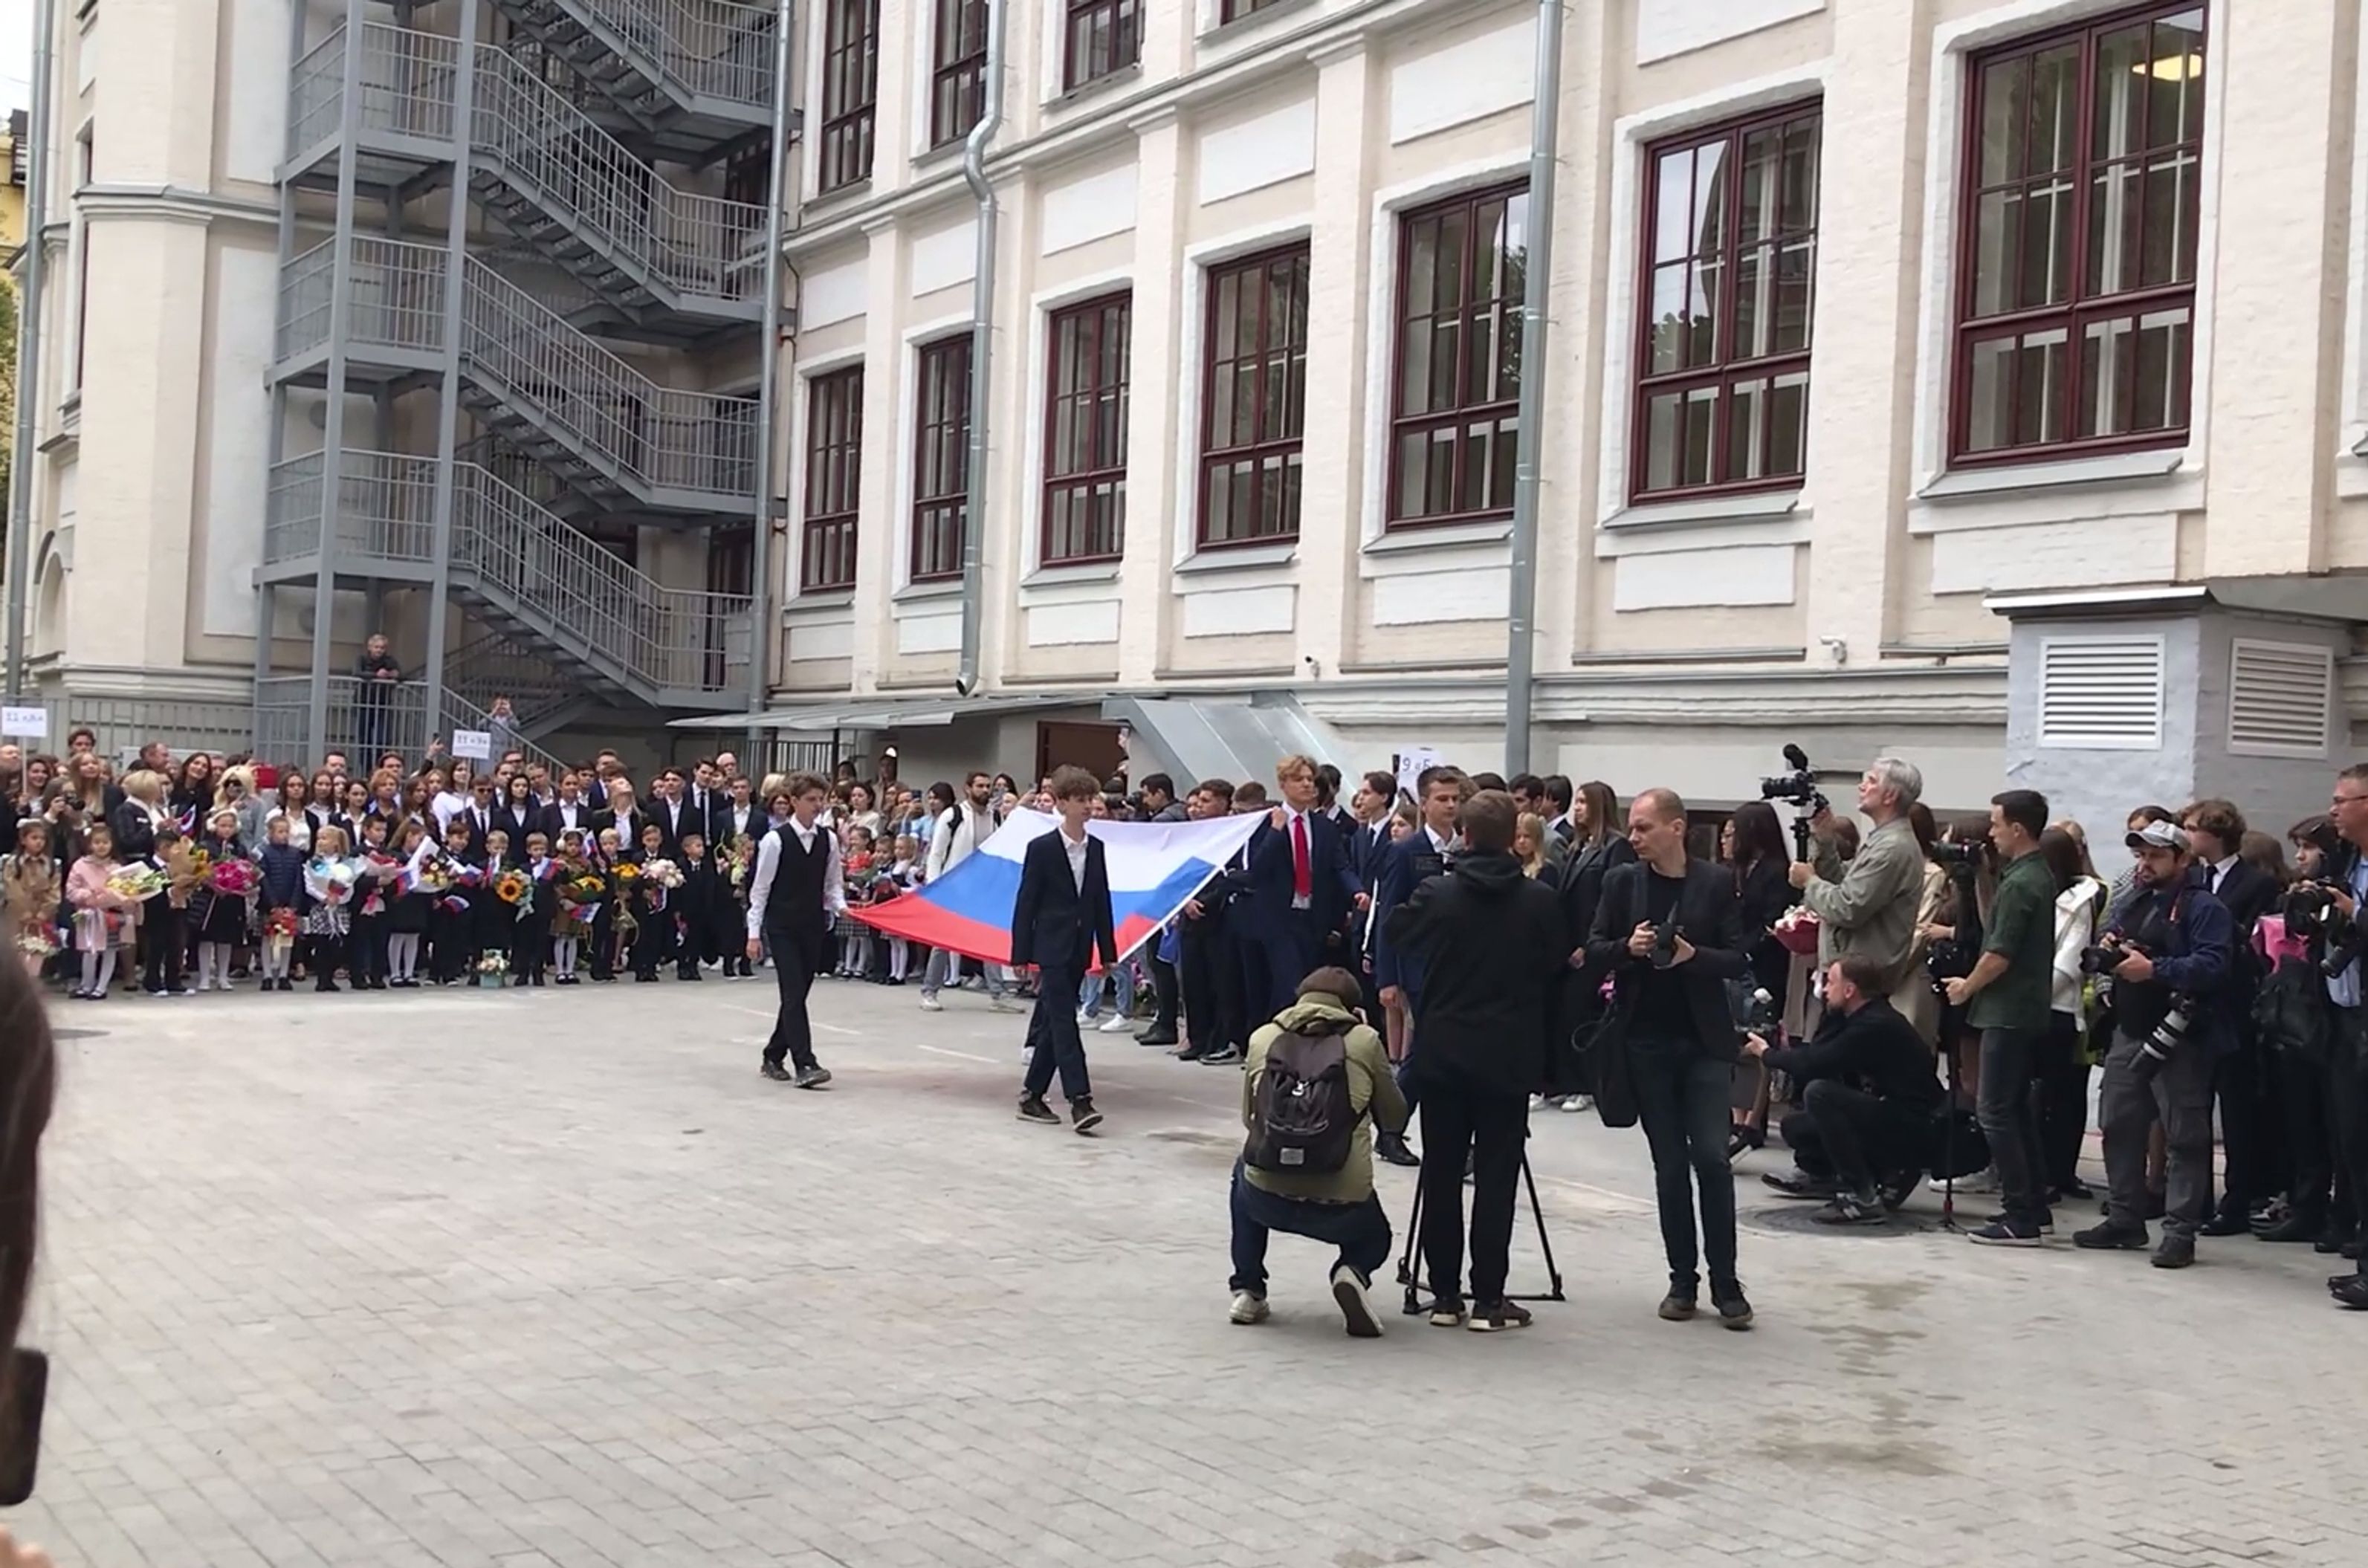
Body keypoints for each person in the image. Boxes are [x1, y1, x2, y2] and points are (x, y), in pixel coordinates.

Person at [1385, 788, 1569, 1333]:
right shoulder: (1538, 900)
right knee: (1496, 1177)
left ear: (1463, 836)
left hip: (1444, 1053)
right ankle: (1489, 1296)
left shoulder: (1438, 894)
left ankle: (1445, 1296)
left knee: (1441, 1172)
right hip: (1509, 1055)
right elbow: (1557, 962)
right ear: (1515, 837)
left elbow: (1396, 931)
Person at [1586, 788, 1753, 1328]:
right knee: (1669, 1165)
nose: (1633, 837)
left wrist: (1691, 956)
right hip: (1645, 1041)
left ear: (1677, 829)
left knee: (1712, 1157)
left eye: (1643, 827)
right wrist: (1626, 950)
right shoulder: (1621, 882)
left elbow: (1737, 959)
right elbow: (1592, 948)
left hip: (1703, 1041)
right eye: (1632, 828)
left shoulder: (1715, 883)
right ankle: (1683, 1281)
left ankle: (1727, 1282)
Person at [2076, 819, 2234, 1270]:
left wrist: (2156, 969)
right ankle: (2125, 1217)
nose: (2145, 864)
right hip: (2130, 1026)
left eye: (2156, 856)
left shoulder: (2205, 908)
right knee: (2118, 1123)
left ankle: (2180, 1231)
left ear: (2183, 858)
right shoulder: (2136, 899)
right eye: (2140, 855)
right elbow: (2112, 947)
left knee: (2184, 1135)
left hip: (2181, 1033)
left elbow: (2213, 966)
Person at [1226, 967, 1408, 1338]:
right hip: (1342, 1202)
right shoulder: (1364, 1041)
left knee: (1242, 1170)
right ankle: (1351, 1271)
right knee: (1377, 1237)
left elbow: (1250, 1119)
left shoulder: (1263, 1038)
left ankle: (1249, 1290)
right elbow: (1395, 1116)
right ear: (1352, 1008)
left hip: (1267, 1195)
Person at [1942, 789, 2060, 1247]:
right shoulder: (2029, 876)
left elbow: (1999, 952)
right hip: (2022, 1007)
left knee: (1995, 1110)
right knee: (2013, 1109)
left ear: (2017, 828)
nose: (1991, 832)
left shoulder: (2023, 882)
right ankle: (2034, 1204)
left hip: (2008, 1009)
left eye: (1996, 824)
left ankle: (2021, 1212)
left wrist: (1966, 986)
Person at [1751, 954, 1943, 1224]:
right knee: (1798, 1127)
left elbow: (1814, 1064)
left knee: (1820, 1093)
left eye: (1830, 983)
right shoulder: (1857, 1017)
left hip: (1914, 1125)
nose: (1824, 990)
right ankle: (1828, 1176)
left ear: (1850, 990)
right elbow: (1820, 1050)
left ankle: (1865, 1196)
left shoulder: (1874, 1025)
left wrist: (1768, 1054)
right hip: (1895, 1113)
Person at [2181, 800, 2283, 1238]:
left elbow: (2251, 943)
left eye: (2191, 828)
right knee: (2191, 1106)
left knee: (2236, 1110)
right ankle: (2193, 1198)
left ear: (2215, 833)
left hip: (2234, 1007)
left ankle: (2238, 1199)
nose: (2186, 836)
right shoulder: (2191, 880)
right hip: (2193, 1006)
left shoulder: (2254, 883)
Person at [1012, 767, 1119, 1135]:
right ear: (1060, 804)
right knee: (1063, 1021)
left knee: (1055, 1022)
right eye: (1080, 800)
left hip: (1080, 945)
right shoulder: (1041, 849)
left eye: (1091, 799)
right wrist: (1020, 954)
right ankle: (1080, 1099)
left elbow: (1101, 900)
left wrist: (1108, 950)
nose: (1088, 806)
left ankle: (1032, 1095)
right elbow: (1026, 903)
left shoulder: (1097, 848)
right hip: (1051, 947)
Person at [1790, 757, 1929, 1029]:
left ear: (1890, 795)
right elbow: (1845, 885)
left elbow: (1847, 907)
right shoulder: (1881, 841)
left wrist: (1809, 882)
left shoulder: (1891, 849)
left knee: (1835, 1065)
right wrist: (1827, 841)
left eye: (1872, 781)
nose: (1862, 785)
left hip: (1860, 989)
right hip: (1850, 983)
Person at [1229, 756, 1366, 1023]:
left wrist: (1356, 891)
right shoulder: (1267, 824)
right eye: (1298, 779)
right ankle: (1279, 1042)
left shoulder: (1324, 827)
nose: (1306, 785)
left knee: (1305, 983)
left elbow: (1340, 866)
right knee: (1288, 983)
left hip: (1313, 916)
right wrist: (1276, 832)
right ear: (1283, 784)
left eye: (1309, 779)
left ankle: (1288, 1038)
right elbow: (1256, 871)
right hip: (1278, 917)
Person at [744, 772, 840, 1089]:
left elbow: (832, 884)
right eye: (811, 800)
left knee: (797, 995)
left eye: (820, 800)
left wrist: (842, 907)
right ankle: (806, 1063)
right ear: (794, 802)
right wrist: (753, 933)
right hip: (782, 926)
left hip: (812, 925)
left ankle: (773, 1054)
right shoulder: (775, 840)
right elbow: (760, 890)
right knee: (793, 993)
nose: (817, 806)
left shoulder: (829, 839)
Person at [2039, 826, 2107, 1203]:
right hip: (2036, 1007)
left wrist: (2034, 994)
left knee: (2063, 1096)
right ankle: (2040, 1170)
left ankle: (2058, 1171)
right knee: (2039, 1099)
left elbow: (2070, 962)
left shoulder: (2083, 898)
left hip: (2063, 1008)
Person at [919, 771, 1014, 1012]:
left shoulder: (995, 817)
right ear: (967, 789)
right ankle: (929, 991)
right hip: (954, 886)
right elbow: (937, 852)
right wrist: (934, 884)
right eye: (980, 786)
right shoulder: (954, 815)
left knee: (990, 937)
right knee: (942, 942)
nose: (985, 790)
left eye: (987, 786)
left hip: (984, 887)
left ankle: (997, 993)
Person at [355, 632, 402, 760]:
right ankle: (367, 770)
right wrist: (376, 675)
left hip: (383, 704)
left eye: (382, 648)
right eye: (376, 647)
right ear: (370, 648)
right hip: (364, 703)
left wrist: (393, 675)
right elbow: (357, 673)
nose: (379, 650)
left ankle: (381, 767)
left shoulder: (390, 661)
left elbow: (400, 675)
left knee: (383, 740)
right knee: (365, 740)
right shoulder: (362, 659)